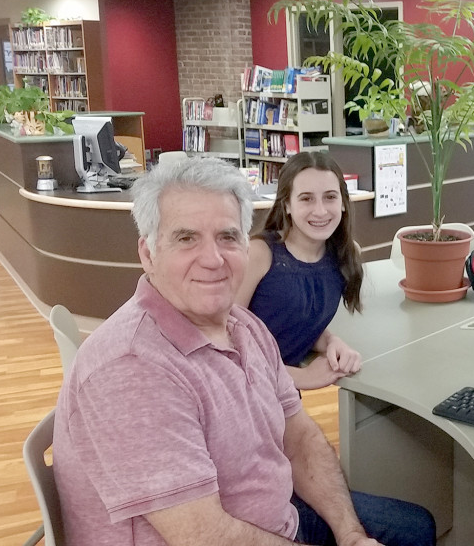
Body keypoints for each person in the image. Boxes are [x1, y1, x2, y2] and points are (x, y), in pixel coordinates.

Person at [53, 158, 435, 546]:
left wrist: (351, 535)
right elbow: (205, 536)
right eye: (186, 238)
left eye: (227, 237)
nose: (213, 259)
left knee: (415, 527)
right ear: (148, 254)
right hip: (215, 536)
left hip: (272, 517)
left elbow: (299, 438)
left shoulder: (243, 325)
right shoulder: (132, 369)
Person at [236, 151, 363, 390]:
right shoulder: (259, 254)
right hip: (240, 394)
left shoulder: (345, 255)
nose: (320, 211)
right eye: (306, 199)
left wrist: (331, 341)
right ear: (287, 205)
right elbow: (223, 342)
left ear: (344, 203)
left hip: (280, 396)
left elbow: (293, 323)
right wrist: (296, 376)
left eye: (330, 197)